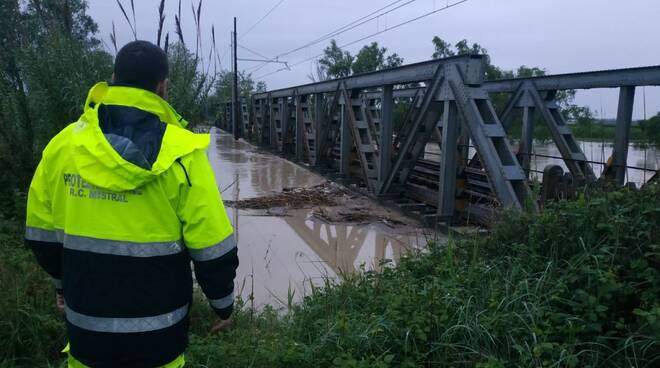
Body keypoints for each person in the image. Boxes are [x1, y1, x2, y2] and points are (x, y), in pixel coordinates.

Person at [24, 40, 238, 368]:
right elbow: (213, 249)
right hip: (160, 339)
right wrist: (222, 305)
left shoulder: (64, 145)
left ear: (112, 77)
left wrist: (61, 284)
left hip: (87, 334)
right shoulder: (183, 154)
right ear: (163, 87)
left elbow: (40, 234)